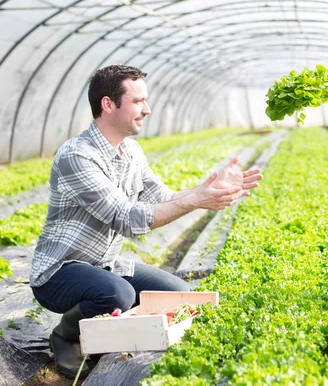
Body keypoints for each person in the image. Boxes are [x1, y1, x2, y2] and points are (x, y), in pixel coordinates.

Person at [29, 65, 263, 378]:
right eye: (138, 101)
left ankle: (108, 330)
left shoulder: (132, 152)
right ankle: (66, 336)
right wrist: (196, 201)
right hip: (60, 272)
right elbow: (124, 218)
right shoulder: (77, 156)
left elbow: (160, 198)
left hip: (105, 264)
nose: (147, 109)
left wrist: (208, 189)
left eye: (146, 100)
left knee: (179, 294)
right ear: (108, 104)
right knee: (117, 294)